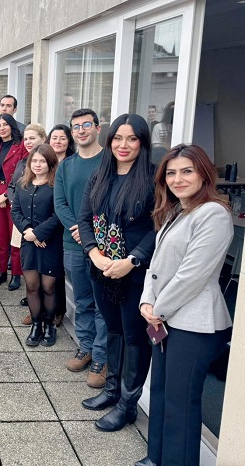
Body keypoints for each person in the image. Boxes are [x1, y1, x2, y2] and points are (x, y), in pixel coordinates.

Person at [136, 144, 233, 466]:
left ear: (204, 173)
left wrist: (157, 309)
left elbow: (192, 275)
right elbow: (156, 265)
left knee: (181, 403)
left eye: (187, 171)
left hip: (195, 324)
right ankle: (157, 457)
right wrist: (146, 300)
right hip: (165, 318)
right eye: (171, 173)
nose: (178, 179)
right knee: (161, 392)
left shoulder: (213, 213)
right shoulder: (177, 210)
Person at [78, 113, 156, 432]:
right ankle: (112, 391)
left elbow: (159, 226)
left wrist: (132, 260)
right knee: (113, 329)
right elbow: (85, 219)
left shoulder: (153, 178)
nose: (124, 145)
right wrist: (94, 253)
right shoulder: (100, 175)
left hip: (134, 273)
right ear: (110, 141)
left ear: (142, 142)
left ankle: (128, 405)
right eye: (118, 138)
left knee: (134, 336)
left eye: (132, 139)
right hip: (102, 269)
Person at [54, 108, 108, 389]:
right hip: (73, 243)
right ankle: (85, 347)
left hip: (104, 245)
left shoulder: (110, 161)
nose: (81, 131)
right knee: (83, 300)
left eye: (87, 125)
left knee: (103, 303)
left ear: (98, 128)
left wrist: (90, 232)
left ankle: (101, 357)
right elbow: (60, 202)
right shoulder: (66, 166)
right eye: (76, 127)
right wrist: (78, 228)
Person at [12, 144, 63, 347]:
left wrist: (39, 233)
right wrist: (29, 232)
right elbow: (15, 211)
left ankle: (49, 325)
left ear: (50, 163)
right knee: (32, 286)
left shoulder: (56, 186)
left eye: (42, 161)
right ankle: (36, 325)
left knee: (48, 286)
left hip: (50, 243)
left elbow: (58, 215)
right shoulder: (23, 184)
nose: (38, 164)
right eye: (34, 161)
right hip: (29, 243)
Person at [0, 113, 28, 290]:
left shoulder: (21, 146)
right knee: (0, 237)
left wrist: (5, 196)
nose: (2, 128)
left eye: (5, 124)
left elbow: (24, 174)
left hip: (14, 196)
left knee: (15, 238)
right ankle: (1, 271)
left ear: (12, 125)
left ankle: (16, 274)